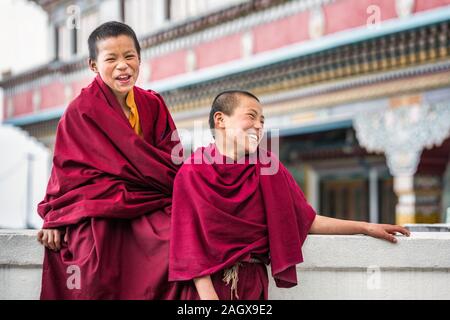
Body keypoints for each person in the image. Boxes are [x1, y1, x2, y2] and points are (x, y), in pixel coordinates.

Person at [168, 90, 410, 300]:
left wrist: (365, 228)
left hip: (253, 282)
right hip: (208, 287)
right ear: (220, 120)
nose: (259, 126)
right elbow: (188, 243)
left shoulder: (268, 168)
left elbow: (305, 219)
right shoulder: (191, 173)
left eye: (262, 121)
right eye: (251, 117)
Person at [37, 21, 185, 299]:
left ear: (139, 59)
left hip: (148, 199)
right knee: (93, 260)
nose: (123, 66)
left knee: (177, 241)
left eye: (129, 56)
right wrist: (56, 216)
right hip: (101, 203)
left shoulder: (152, 104)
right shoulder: (79, 111)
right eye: (111, 59)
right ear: (93, 65)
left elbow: (171, 160)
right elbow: (66, 172)